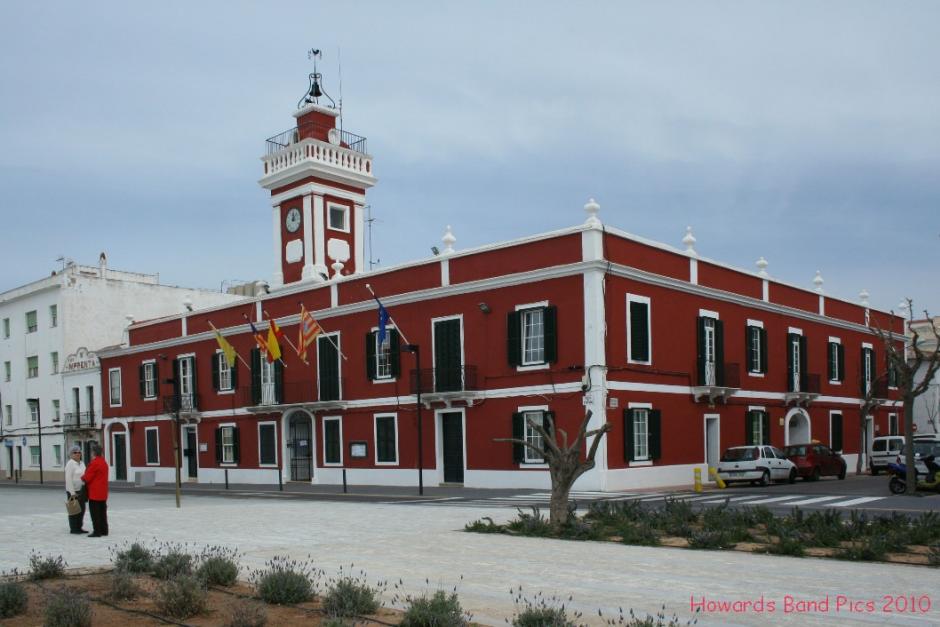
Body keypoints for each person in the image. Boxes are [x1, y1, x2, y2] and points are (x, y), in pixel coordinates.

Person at [81, 442, 109, 537]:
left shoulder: (94, 463)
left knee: (95, 513)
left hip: (94, 492)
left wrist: (82, 477)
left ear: (93, 453)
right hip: (103, 492)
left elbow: (87, 477)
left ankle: (97, 531)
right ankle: (104, 529)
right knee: (102, 512)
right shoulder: (104, 463)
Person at [64, 445, 87, 534]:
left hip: (81, 490)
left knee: (82, 509)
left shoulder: (82, 463)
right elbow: (68, 479)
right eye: (75, 452)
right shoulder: (70, 464)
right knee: (74, 510)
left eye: (79, 452)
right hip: (73, 491)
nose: (77, 454)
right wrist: (72, 492)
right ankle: (74, 529)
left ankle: (79, 527)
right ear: (71, 454)